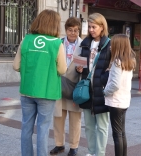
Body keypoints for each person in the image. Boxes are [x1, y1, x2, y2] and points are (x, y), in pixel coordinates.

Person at [13, 9, 67, 156]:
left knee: (26, 127)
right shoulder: (56, 43)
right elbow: (62, 70)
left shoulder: (26, 40)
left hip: (27, 90)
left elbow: (16, 66)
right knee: (43, 129)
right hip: (47, 92)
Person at [76, 13, 111, 156]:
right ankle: (91, 152)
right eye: (89, 27)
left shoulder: (109, 44)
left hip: (101, 90)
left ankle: (100, 153)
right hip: (86, 89)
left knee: (102, 126)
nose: (91, 29)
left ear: (102, 27)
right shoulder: (84, 43)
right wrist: (78, 68)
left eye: (94, 27)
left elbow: (113, 68)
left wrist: (102, 80)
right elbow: (78, 64)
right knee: (89, 126)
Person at [49, 17, 82, 156]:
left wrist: (83, 69)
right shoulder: (59, 43)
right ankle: (59, 144)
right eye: (70, 30)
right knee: (58, 117)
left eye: (75, 30)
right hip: (59, 85)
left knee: (75, 119)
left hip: (75, 86)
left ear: (78, 30)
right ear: (66, 30)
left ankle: (74, 147)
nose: (73, 33)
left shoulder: (84, 45)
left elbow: (89, 64)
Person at [103, 34, 136, 156]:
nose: (110, 47)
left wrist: (104, 92)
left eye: (112, 44)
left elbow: (115, 84)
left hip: (115, 101)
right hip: (124, 101)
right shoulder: (129, 61)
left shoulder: (117, 62)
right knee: (122, 133)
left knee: (117, 134)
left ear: (118, 45)